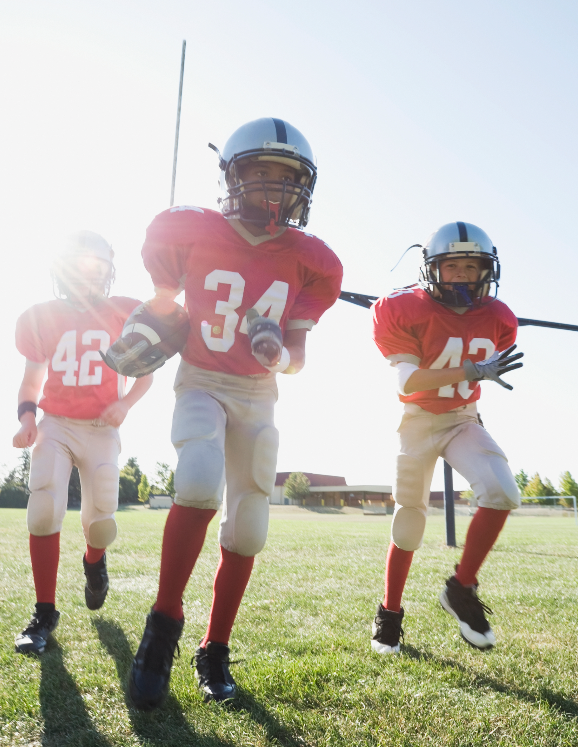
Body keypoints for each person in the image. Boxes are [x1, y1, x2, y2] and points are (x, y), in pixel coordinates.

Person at [104, 118, 343, 709]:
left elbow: (299, 358)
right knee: (198, 478)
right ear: (233, 176)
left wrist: (279, 352)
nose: (274, 187)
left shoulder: (315, 261)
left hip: (258, 394)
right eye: (262, 172)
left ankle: (215, 649)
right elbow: (163, 303)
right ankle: (163, 626)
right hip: (203, 380)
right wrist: (153, 320)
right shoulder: (187, 230)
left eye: (287, 178)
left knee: (251, 523)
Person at [367, 222, 525, 655]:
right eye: (452, 266)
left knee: (501, 490)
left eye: (471, 267)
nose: (462, 275)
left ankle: (461, 587)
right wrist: (473, 371)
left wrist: (472, 380)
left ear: (486, 271)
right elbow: (409, 383)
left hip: (461, 418)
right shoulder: (402, 308)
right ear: (432, 268)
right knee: (409, 522)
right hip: (418, 418)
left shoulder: (498, 317)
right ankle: (390, 612)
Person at [10, 231, 153, 654]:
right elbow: (32, 380)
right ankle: (44, 612)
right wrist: (27, 418)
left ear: (108, 274)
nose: (88, 278)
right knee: (44, 506)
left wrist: (125, 404)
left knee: (102, 513)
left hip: (100, 427)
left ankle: (94, 561)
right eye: (80, 268)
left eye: (97, 269)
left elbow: (146, 374)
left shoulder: (124, 312)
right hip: (55, 422)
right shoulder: (41, 317)